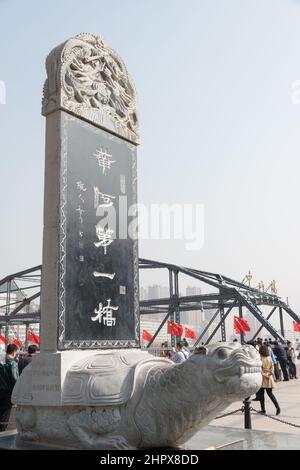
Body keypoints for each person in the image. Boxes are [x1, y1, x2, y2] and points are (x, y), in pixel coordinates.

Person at [0, 343, 19, 431]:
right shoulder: (12, 363)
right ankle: (2, 431)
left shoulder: (1, 361)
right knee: (5, 413)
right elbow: (15, 378)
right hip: (8, 392)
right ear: (14, 352)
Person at [258, 344, 280, 416]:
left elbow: (259, 368)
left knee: (261, 395)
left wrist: (263, 374)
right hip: (269, 377)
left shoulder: (260, 358)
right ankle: (277, 407)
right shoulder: (269, 358)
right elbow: (272, 368)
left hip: (262, 377)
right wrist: (269, 374)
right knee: (270, 394)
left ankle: (263, 410)